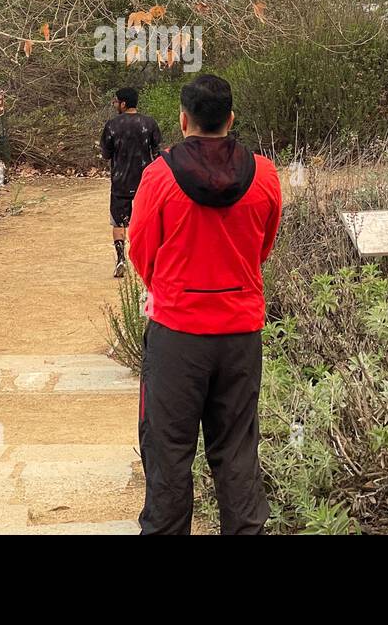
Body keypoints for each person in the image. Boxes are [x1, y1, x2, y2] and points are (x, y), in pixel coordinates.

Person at [128, 73, 282, 535]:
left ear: (183, 120)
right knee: (237, 452)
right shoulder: (265, 174)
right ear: (231, 119)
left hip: (177, 334)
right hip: (240, 334)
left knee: (168, 452)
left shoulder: (158, 177)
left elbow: (140, 249)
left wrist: (173, 287)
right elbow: (263, 245)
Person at [99, 87, 162, 278]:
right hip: (146, 181)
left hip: (120, 181)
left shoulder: (112, 125)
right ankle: (151, 260)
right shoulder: (150, 124)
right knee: (150, 221)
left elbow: (105, 154)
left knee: (118, 222)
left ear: (124, 103)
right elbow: (158, 153)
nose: (114, 104)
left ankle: (120, 259)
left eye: (116, 101)